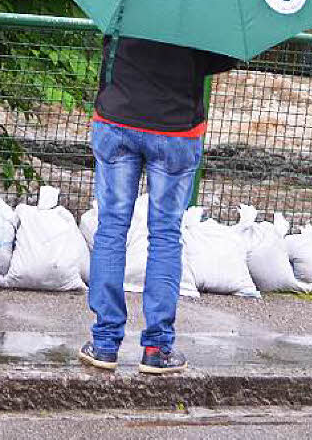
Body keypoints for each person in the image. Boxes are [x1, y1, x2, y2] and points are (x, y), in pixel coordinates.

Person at [79, 35, 237, 375]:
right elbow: (224, 56)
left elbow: (109, 41)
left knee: (111, 229)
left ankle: (105, 344)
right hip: (176, 127)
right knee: (165, 235)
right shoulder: (202, 4)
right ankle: (156, 348)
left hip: (117, 117)